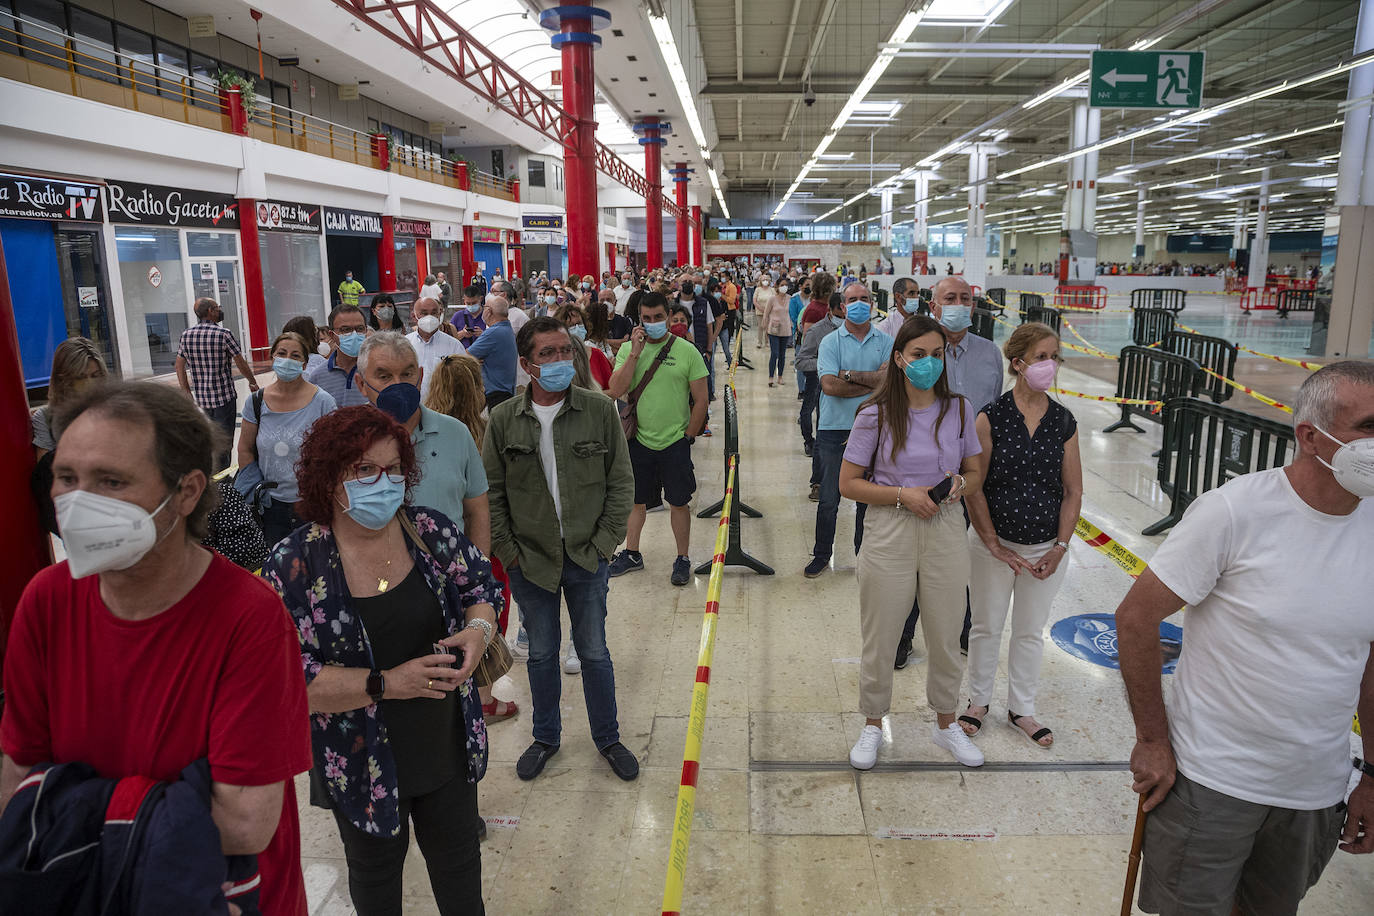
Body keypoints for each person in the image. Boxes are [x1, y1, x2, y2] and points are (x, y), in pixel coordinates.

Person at [1, 381, 311, 915]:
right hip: (88, 896)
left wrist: (64, 803)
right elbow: (12, 787)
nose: (77, 503)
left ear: (187, 492)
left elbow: (244, 824)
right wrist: (170, 808)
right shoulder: (46, 601)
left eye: (111, 481)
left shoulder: (249, 618)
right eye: (66, 478)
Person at [1115, 361, 1374, 915]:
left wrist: (1371, 773)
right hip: (1211, 780)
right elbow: (1137, 619)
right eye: (1370, 427)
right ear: (1311, 437)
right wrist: (1153, 740)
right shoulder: (1234, 513)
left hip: (1313, 793)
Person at [263, 406, 499, 915]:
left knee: (461, 882)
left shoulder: (429, 532)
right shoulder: (293, 564)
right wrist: (386, 683)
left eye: (393, 469)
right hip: (359, 763)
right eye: (364, 470)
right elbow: (284, 678)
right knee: (374, 886)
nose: (383, 483)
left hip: (446, 748)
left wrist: (478, 631)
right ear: (329, 478)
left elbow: (480, 585)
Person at [484, 317, 638, 782]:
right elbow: (491, 494)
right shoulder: (504, 419)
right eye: (546, 355)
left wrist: (606, 543)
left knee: (594, 652)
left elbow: (621, 482)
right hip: (530, 560)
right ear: (528, 365)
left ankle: (607, 737)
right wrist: (509, 552)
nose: (558, 362)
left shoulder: (597, 409)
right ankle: (545, 737)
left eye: (563, 352)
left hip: (588, 556)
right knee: (544, 654)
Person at [839, 316, 984, 771]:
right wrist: (903, 494)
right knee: (881, 636)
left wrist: (960, 483)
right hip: (890, 527)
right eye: (918, 354)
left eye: (937, 354)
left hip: (944, 528)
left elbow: (976, 471)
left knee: (945, 633)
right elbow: (848, 483)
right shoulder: (875, 414)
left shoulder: (959, 410)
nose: (928, 363)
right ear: (899, 359)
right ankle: (871, 724)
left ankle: (946, 725)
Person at [961, 324, 1081, 748]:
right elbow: (974, 486)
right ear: (1018, 364)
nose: (1052, 365)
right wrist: (992, 542)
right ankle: (977, 702)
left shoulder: (1063, 420)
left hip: (1045, 546)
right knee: (986, 626)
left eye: (1055, 356)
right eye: (1043, 357)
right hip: (994, 546)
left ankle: (1022, 709)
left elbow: (1073, 490)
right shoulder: (990, 417)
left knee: (1030, 631)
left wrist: (1061, 547)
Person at [606, 293, 709, 587]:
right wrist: (636, 353)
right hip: (638, 440)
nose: (652, 323)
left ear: (668, 316)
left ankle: (682, 557)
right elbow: (615, 390)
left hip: (675, 441)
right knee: (636, 502)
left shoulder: (687, 351)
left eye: (658, 318)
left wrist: (688, 436)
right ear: (639, 319)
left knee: (678, 502)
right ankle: (632, 552)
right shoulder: (628, 350)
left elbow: (700, 399)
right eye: (647, 319)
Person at [806, 282, 893, 579]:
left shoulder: (886, 341)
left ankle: (863, 556)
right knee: (829, 498)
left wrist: (849, 375)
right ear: (842, 306)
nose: (858, 304)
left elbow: (890, 383)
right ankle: (821, 555)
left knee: (866, 499)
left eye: (864, 299)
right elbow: (829, 386)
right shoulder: (831, 342)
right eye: (852, 299)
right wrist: (872, 381)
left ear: (872, 304)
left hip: (874, 428)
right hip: (834, 428)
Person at [237, 331, 337, 546]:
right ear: (272, 357)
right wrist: (255, 489)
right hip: (270, 507)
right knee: (277, 569)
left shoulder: (323, 402)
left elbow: (334, 455)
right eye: (281, 353)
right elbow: (245, 449)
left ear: (304, 364)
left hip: (311, 505)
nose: (287, 360)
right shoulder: (256, 401)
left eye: (295, 356)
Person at [174, 297, 260, 470]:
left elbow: (179, 364)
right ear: (210, 312)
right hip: (224, 398)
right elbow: (240, 362)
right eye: (217, 307)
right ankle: (223, 477)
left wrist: (185, 390)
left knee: (209, 438)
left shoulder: (187, 335)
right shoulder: (224, 334)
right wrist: (252, 382)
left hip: (202, 399)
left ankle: (211, 472)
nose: (220, 310)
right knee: (225, 440)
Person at [31, 337, 107, 461]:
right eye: (80, 377)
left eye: (95, 376)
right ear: (63, 380)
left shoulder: (115, 409)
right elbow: (46, 471)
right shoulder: (45, 417)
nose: (89, 384)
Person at [306, 304, 372, 409]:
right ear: (332, 335)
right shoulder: (317, 377)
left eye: (359, 328)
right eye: (345, 330)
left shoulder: (377, 369)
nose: (354, 335)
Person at [466, 295, 518, 411]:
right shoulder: (506, 329)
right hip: (506, 391)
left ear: (488, 311)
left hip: (496, 395)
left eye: (484, 307)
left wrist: (473, 359)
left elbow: (465, 356)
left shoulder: (493, 332)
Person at [407, 296, 465, 399]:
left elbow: (463, 379)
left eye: (434, 313)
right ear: (414, 316)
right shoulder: (405, 345)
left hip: (445, 407)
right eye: (424, 313)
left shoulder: (454, 346)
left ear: (440, 314)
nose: (430, 317)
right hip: (413, 406)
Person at [557, 302, 612, 388]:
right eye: (571, 326)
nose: (577, 328)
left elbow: (612, 389)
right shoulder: (556, 360)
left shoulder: (597, 354)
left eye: (579, 323)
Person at [757, 275, 791, 386]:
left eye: (786, 285)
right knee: (774, 353)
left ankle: (780, 376)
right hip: (774, 330)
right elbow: (766, 314)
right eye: (782, 285)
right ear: (777, 286)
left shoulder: (790, 298)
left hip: (785, 330)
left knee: (782, 355)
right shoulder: (772, 298)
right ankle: (771, 377)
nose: (784, 287)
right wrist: (765, 327)